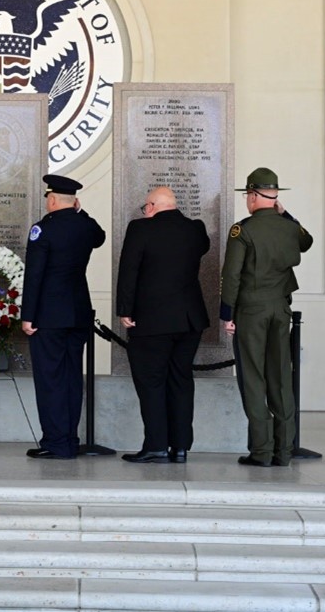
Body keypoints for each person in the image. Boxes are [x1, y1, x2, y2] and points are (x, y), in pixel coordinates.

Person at [220, 167, 313, 467]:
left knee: (253, 378)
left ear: (252, 196)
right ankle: (283, 450)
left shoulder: (242, 230)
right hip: (280, 310)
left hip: (251, 311)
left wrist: (226, 313)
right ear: (274, 196)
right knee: (281, 378)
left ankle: (261, 451)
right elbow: (306, 241)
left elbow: (231, 276)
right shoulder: (288, 227)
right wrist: (287, 215)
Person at [116, 186, 210, 464]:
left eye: (145, 207)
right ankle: (180, 447)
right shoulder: (195, 229)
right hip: (190, 320)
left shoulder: (140, 229)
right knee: (181, 380)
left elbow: (128, 269)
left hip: (151, 320)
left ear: (153, 205)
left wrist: (125, 309)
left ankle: (156, 445)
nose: (144, 212)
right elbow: (203, 248)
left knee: (152, 383)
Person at [22, 174, 106, 459]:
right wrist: (81, 212)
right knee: (71, 378)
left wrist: (28, 315)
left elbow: (34, 276)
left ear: (53, 199)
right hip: (78, 312)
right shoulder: (85, 226)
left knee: (51, 380)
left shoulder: (43, 230)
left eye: (48, 197)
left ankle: (56, 443)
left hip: (49, 315)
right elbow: (100, 237)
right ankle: (70, 439)